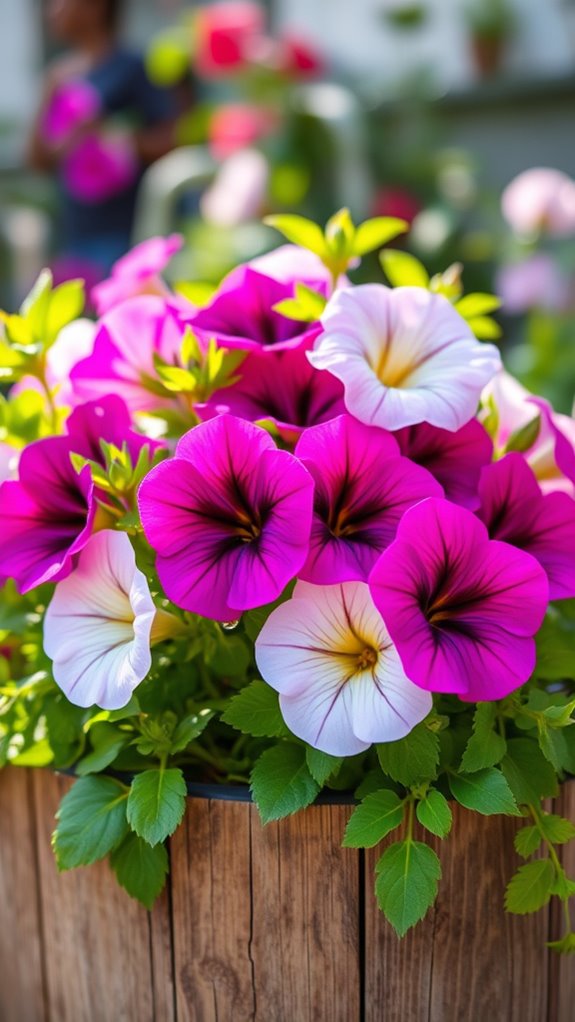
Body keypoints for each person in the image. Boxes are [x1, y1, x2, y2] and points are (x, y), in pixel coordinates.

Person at [27, 0, 178, 276]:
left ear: (94, 7)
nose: (52, 11)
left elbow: (170, 140)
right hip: (74, 235)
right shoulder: (59, 76)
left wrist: (112, 135)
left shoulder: (133, 68)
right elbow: (37, 159)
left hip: (128, 233)